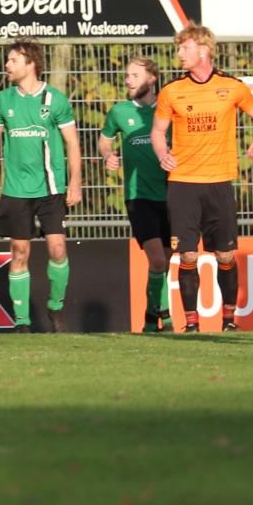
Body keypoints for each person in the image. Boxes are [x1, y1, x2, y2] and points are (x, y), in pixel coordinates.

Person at [0, 38, 81, 333]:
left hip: (51, 187)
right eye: (7, 60)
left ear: (30, 63)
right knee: (19, 253)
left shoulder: (56, 100)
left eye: (12, 60)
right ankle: (22, 323)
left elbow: (72, 142)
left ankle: (55, 307)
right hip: (16, 191)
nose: (7, 65)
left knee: (58, 250)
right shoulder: (3, 100)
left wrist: (75, 181)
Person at [152, 25, 253, 333]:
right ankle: (191, 323)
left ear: (203, 50)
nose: (179, 54)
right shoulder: (171, 91)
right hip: (183, 183)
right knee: (188, 254)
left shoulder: (233, 87)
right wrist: (163, 153)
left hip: (219, 182)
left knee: (225, 254)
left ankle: (229, 320)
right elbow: (158, 132)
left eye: (184, 48)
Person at [98, 57, 170, 333]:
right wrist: (108, 155)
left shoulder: (167, 109)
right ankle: (167, 316)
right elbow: (104, 140)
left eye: (135, 76)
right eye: (127, 75)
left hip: (172, 193)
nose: (128, 80)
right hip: (139, 196)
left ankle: (151, 320)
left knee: (165, 262)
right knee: (158, 260)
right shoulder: (119, 112)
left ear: (152, 79)